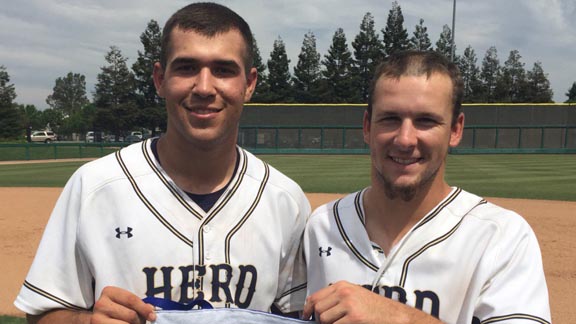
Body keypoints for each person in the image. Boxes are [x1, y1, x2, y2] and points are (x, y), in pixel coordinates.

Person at [15, 3, 310, 323]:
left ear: (249, 84)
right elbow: (42, 313)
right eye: (186, 67)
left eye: (224, 70)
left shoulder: (285, 200)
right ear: (159, 78)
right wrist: (86, 321)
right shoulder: (95, 186)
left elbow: (297, 314)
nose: (204, 87)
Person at [302, 51, 551, 324]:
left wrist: (395, 316)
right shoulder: (321, 226)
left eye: (426, 121)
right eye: (390, 119)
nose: (405, 139)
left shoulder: (501, 237)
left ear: (455, 130)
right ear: (366, 127)